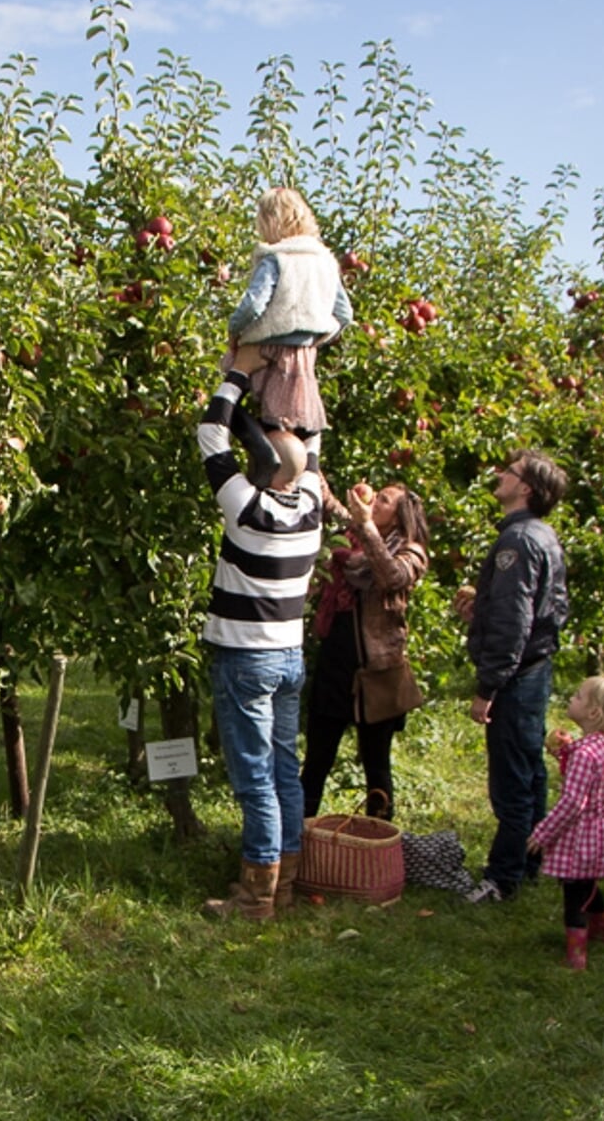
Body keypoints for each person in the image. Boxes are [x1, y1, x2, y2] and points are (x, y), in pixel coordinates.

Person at [196, 364, 328, 922]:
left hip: (246, 658)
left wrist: (239, 375)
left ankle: (256, 897)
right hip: (289, 658)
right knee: (282, 770)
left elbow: (210, 434)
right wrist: (301, 372)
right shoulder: (315, 508)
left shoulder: (248, 509)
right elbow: (312, 448)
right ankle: (287, 882)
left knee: (255, 780)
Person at [459, 449, 570, 905]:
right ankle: (529, 862)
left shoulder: (517, 542)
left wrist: (489, 686)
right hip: (535, 667)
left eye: (510, 472)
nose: (500, 475)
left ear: (525, 488)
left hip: (517, 675)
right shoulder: (541, 536)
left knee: (511, 781)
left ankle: (502, 878)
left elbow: (513, 621)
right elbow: (548, 610)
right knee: (529, 773)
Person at [301, 480, 430, 821]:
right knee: (316, 760)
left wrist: (367, 526)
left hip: (376, 675)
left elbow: (391, 575)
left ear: (398, 517)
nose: (376, 499)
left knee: (376, 765)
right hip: (336, 667)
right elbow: (331, 504)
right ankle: (295, 843)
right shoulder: (352, 538)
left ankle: (377, 847)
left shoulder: (411, 551)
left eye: (384, 500)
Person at [528, 676, 604, 970]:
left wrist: (543, 833)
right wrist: (567, 751)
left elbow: (573, 803)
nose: (571, 699)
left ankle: (576, 955)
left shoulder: (584, 755)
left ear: (593, 713)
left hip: (584, 836)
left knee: (574, 890)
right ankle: (603, 929)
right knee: (588, 882)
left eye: (578, 696)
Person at [225, 186, 353, 436]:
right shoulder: (325, 261)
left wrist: (234, 330)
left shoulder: (276, 258)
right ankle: (304, 469)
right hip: (304, 355)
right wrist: (316, 336)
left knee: (228, 408)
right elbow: (344, 314)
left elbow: (253, 305)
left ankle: (267, 465)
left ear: (269, 221)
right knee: (298, 424)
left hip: (267, 351)